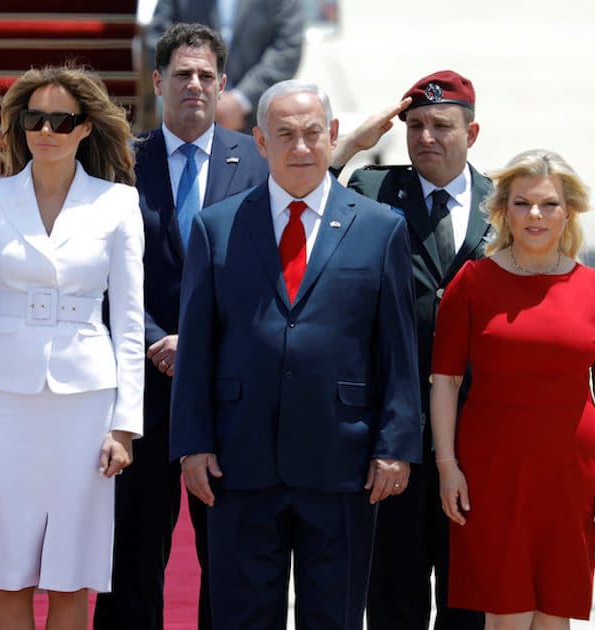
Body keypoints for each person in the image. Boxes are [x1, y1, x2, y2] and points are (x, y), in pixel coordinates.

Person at [170, 79, 419, 629]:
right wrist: (192, 442)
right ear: (260, 142)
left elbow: (397, 349)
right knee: (241, 616)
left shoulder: (380, 228)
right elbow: (198, 345)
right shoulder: (216, 227)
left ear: (333, 136)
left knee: (334, 617)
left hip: (344, 463)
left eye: (312, 133)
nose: (300, 147)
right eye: (284, 135)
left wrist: (395, 445)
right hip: (240, 460)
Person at [0, 65, 144, 630]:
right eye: (36, 118)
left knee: (72, 575)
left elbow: (129, 323)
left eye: (62, 119)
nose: (47, 129)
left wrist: (125, 426)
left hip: (86, 403)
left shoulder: (118, 204)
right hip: (0, 401)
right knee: (7, 572)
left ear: (85, 128)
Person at [93, 22, 267, 630]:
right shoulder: (120, 164)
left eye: (205, 75)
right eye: (181, 74)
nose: (193, 85)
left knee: (227, 563)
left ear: (221, 85)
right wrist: (150, 339)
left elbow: (264, 276)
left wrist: (194, 342)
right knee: (133, 560)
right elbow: (105, 272)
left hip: (227, 396)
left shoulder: (258, 164)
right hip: (142, 391)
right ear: (158, 81)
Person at [334, 70, 489, 630]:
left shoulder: (505, 205)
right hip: (392, 432)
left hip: (475, 436)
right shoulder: (374, 190)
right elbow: (304, 195)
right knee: (392, 594)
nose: (425, 137)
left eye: (441, 126)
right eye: (415, 125)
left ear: (471, 134)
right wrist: (351, 144)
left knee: (467, 597)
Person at [431, 149, 595, 629]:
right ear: (503, 209)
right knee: (506, 614)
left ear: (568, 211)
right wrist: (447, 466)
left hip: (571, 471)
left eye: (548, 204)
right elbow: (445, 380)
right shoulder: (473, 281)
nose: (535, 215)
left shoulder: (590, 287)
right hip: (493, 470)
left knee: (555, 615)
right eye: (522, 203)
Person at [147, 0, 304, 130]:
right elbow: (157, 42)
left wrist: (241, 100)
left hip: (255, 120)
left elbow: (287, 48)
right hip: (185, 117)